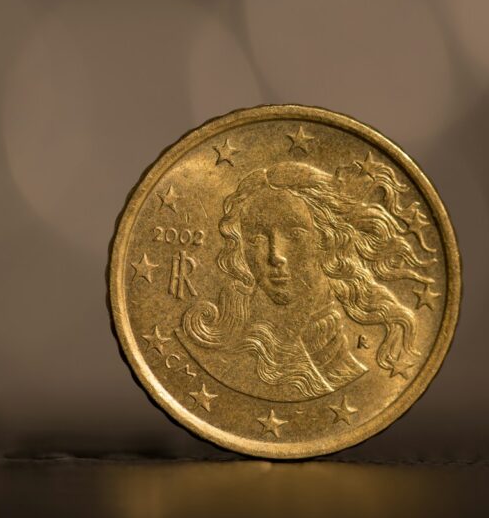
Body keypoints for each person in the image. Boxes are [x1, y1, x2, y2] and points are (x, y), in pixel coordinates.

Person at [181, 160, 434, 401]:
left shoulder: (335, 350)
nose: (275, 255)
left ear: (328, 240)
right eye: (256, 238)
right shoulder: (233, 352)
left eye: (294, 234)